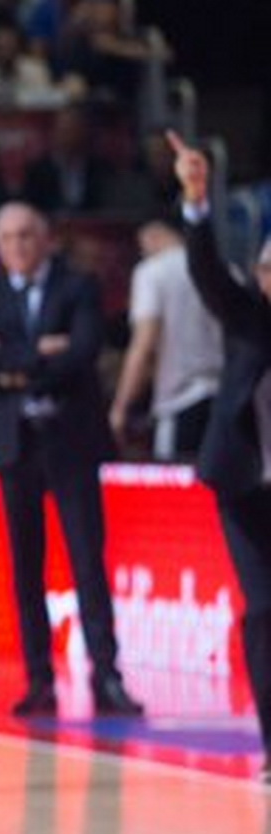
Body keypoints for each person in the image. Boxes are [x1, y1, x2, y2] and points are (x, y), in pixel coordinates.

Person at [0, 202, 143, 717]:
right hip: (16, 446)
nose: (18, 245)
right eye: (7, 238)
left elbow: (83, 351)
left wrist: (12, 364)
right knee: (26, 567)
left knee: (88, 561)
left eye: (26, 235)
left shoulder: (77, 286)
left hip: (71, 443)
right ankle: (39, 678)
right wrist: (39, 352)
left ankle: (106, 675)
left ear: (45, 239)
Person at [167, 131, 271, 782]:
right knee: (264, 610)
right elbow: (207, 272)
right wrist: (197, 201)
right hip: (245, 486)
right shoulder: (248, 319)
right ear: (261, 278)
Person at [109, 218, 224, 461]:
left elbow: (144, 343)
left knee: (174, 479)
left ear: (151, 235)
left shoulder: (152, 272)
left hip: (180, 399)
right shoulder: (224, 268)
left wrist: (121, 406)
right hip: (226, 398)